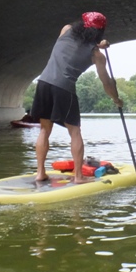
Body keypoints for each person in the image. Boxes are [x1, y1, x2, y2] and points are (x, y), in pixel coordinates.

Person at [30, 12, 123, 183]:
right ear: (100, 33)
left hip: (43, 83)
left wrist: (98, 44)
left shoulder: (66, 30)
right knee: (75, 132)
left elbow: (77, 41)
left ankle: (40, 173)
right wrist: (116, 99)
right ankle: (79, 177)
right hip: (64, 88)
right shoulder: (97, 56)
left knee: (44, 129)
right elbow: (107, 83)